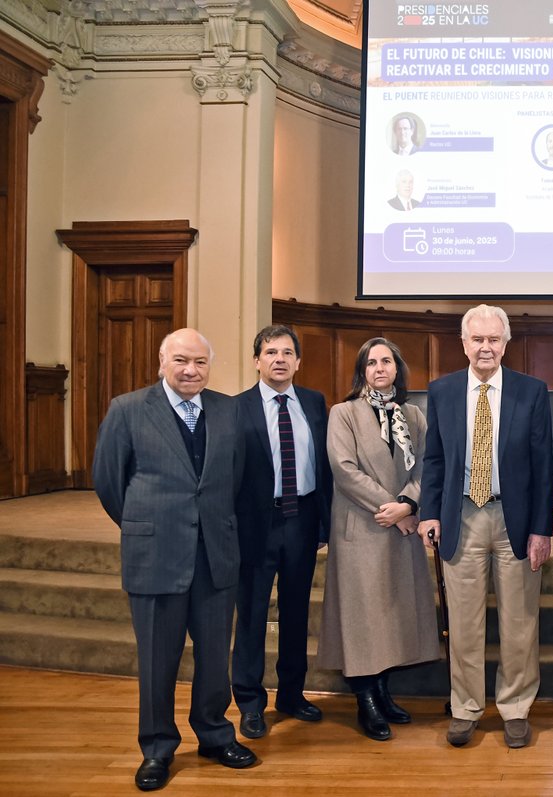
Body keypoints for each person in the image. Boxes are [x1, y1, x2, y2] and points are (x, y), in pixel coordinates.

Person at [92, 329, 256, 792]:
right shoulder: (127, 409)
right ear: (161, 360)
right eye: (181, 360)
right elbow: (108, 482)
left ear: (210, 366)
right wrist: (149, 524)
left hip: (215, 557)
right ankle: (157, 749)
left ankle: (215, 735)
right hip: (155, 556)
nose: (191, 370)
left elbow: (235, 480)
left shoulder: (228, 409)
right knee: (157, 662)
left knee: (212, 660)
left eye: (200, 362)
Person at [419, 304, 553, 750]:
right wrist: (430, 513)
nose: (485, 347)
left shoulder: (531, 391)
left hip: (514, 521)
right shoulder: (442, 391)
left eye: (493, 339)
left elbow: (542, 467)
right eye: (477, 339)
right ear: (463, 343)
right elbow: (435, 459)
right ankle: (465, 708)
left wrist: (541, 529)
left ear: (506, 343)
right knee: (463, 624)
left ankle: (515, 708)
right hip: (462, 516)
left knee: (519, 623)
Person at [316, 337, 440, 741]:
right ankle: (365, 698)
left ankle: (384, 691)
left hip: (400, 528)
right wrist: (395, 508)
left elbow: (428, 466)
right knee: (363, 618)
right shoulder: (344, 413)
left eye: (386, 361)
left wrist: (409, 504)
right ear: (362, 371)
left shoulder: (415, 417)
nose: (380, 368)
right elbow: (344, 470)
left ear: (398, 369)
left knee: (393, 615)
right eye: (371, 363)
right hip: (362, 529)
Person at [231, 325, 332, 740]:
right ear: (257, 360)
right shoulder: (235, 408)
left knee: (295, 613)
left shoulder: (313, 402)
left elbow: (323, 469)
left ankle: (291, 695)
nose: (279, 359)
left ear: (298, 361)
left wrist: (324, 521)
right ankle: (251, 703)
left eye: (287, 352)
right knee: (252, 616)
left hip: (302, 520)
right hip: (256, 524)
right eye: (271, 352)